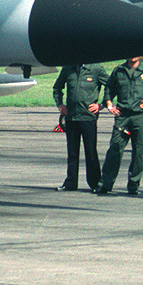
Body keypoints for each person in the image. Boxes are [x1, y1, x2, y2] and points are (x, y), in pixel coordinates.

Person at [96, 56, 143, 195]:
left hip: (139, 116)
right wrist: (109, 105)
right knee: (115, 149)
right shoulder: (119, 70)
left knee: (138, 152)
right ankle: (105, 184)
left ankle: (133, 185)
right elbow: (109, 88)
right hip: (122, 116)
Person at [53, 63, 109, 191]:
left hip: (88, 117)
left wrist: (102, 105)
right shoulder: (68, 68)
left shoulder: (96, 69)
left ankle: (95, 183)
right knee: (72, 152)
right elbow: (57, 87)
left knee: (90, 152)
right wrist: (60, 105)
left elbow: (110, 85)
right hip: (71, 117)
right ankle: (70, 183)